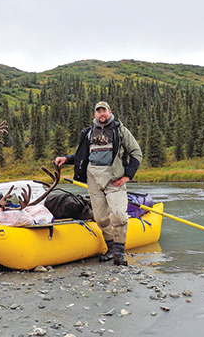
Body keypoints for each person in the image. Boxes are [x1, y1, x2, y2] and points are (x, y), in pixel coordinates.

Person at [54, 101, 142, 266]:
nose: (102, 114)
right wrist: (66, 159)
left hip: (114, 180)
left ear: (110, 112)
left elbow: (136, 152)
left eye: (104, 111)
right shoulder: (88, 133)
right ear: (95, 114)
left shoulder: (120, 130)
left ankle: (119, 254)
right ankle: (110, 248)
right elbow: (81, 156)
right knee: (101, 219)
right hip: (93, 179)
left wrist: (128, 176)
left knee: (119, 215)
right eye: (98, 111)